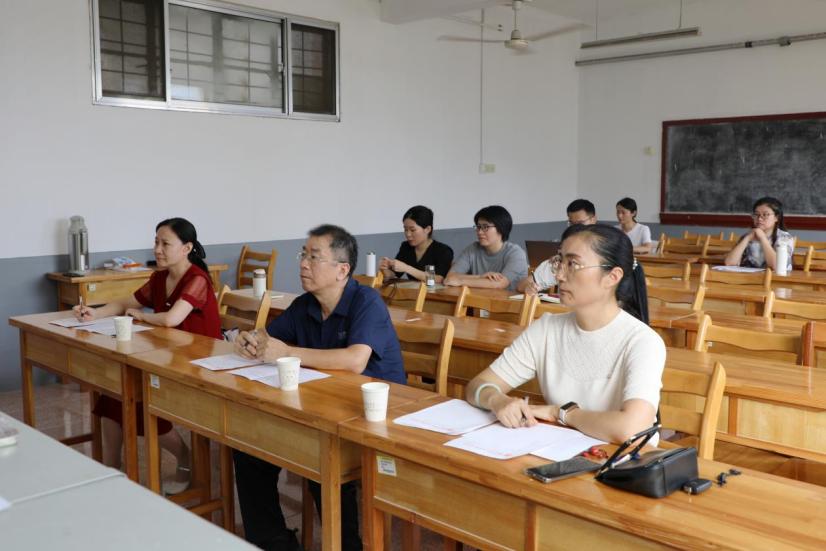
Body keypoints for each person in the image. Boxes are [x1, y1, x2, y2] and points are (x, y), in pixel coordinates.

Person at [232, 224, 405, 551]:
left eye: (314, 257)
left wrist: (287, 352)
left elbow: (355, 360)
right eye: (304, 255)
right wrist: (250, 340)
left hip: (375, 416)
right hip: (324, 406)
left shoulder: (366, 301)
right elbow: (270, 338)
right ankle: (274, 542)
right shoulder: (305, 304)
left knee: (319, 458)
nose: (303, 263)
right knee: (249, 446)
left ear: (342, 270)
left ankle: (346, 545)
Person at [466, 224, 665, 445]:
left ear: (612, 276)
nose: (559, 275)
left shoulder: (642, 341)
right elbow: (478, 384)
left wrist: (561, 413)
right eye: (559, 262)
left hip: (621, 459)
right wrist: (497, 400)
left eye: (573, 264)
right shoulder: (546, 329)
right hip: (560, 450)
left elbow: (632, 429)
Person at [73, 217, 221, 493]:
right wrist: (96, 312)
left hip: (198, 362)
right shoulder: (159, 278)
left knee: (139, 400)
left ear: (187, 248)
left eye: (165, 244)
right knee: (113, 394)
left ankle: (185, 456)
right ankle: (112, 466)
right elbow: (125, 302)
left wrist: (140, 316)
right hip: (168, 355)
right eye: (156, 242)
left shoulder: (197, 280)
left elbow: (171, 319)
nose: (157, 249)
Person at [517, 199, 598, 295]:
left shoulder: (604, 255)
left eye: (580, 223)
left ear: (593, 219)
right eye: (571, 223)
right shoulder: (559, 262)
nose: (575, 228)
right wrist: (530, 288)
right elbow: (522, 285)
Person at [444, 205, 528, 291]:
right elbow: (450, 277)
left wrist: (460, 281)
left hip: (508, 299)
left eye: (485, 227)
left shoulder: (515, 253)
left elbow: (500, 283)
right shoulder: (472, 249)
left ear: (501, 228)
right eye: (478, 227)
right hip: (480, 298)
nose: (480, 232)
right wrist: (480, 277)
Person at [379, 205, 453, 283]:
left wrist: (406, 268)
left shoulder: (443, 251)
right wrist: (385, 269)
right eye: (405, 229)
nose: (408, 234)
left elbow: (438, 279)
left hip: (436, 291)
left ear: (427, 229)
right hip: (413, 290)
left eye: (412, 230)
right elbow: (394, 274)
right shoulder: (405, 247)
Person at [724, 196, 794, 272]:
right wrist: (747, 238)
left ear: (776, 217)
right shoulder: (748, 236)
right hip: (748, 278)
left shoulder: (785, 238)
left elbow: (776, 266)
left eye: (765, 214)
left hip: (775, 278)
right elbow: (729, 263)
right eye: (756, 214)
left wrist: (762, 238)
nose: (759, 218)